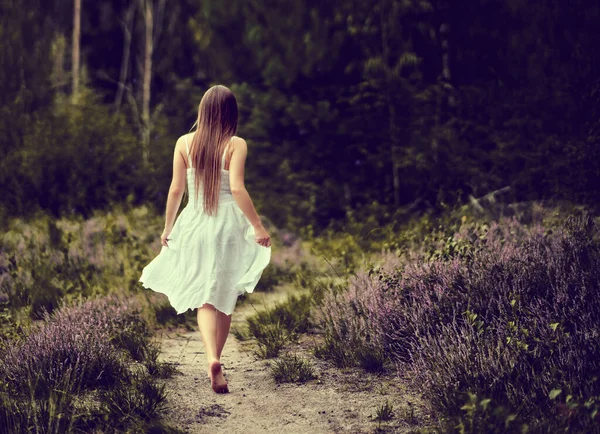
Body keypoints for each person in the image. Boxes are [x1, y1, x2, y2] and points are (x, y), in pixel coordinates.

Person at [139, 85, 271, 394]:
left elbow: (176, 189)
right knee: (224, 294)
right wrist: (258, 226)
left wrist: (168, 226)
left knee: (204, 297)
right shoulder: (236, 144)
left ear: (203, 110)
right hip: (227, 226)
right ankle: (217, 361)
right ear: (231, 112)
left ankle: (212, 358)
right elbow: (237, 188)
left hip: (196, 222)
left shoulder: (184, 143)